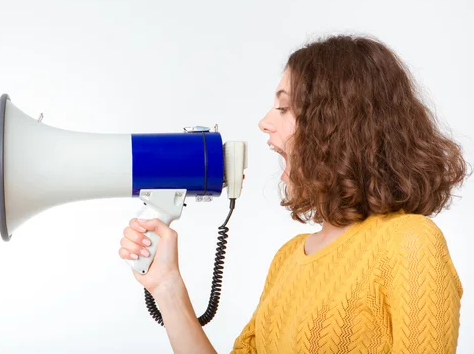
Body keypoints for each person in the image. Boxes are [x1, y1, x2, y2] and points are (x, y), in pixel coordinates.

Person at [118, 35, 469, 353]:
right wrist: (166, 287)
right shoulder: (288, 259)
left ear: (339, 125)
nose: (264, 122)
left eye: (284, 108)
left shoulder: (409, 242)